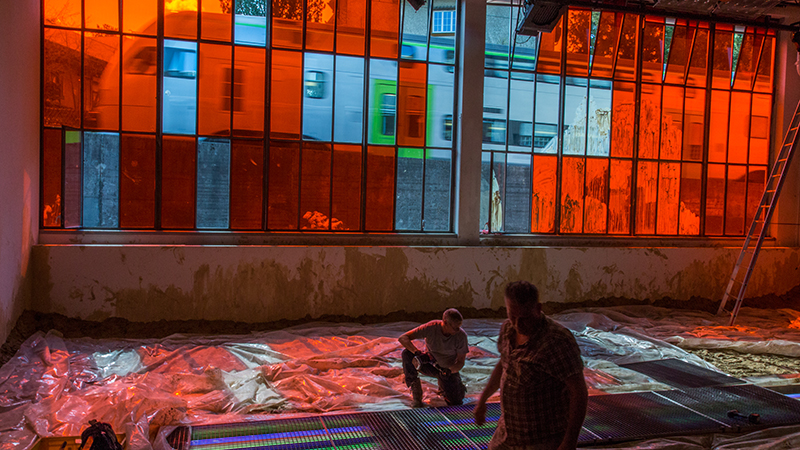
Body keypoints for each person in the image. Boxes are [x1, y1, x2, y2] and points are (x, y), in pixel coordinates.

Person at [474, 281, 587, 450]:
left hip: (542, 440)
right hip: (508, 434)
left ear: (538, 308)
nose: (518, 324)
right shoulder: (508, 330)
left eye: (525, 318)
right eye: (512, 316)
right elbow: (505, 364)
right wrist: (483, 400)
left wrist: (569, 441)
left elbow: (578, 391)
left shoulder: (556, 341)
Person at [398, 308, 469, 407]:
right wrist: (417, 352)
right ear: (445, 323)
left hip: (447, 370)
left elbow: (460, 362)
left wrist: (450, 370)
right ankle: (416, 393)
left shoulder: (461, 336)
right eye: (454, 328)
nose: (457, 330)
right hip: (430, 364)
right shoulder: (431, 327)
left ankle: (453, 387)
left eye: (459, 327)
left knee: (455, 402)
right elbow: (403, 338)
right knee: (407, 354)